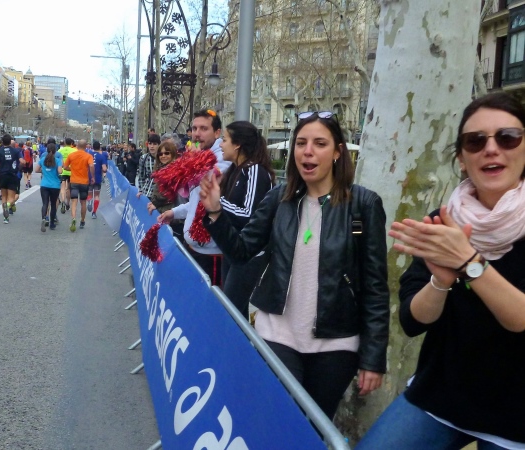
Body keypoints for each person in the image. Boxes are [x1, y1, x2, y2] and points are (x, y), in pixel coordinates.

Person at [357, 93, 525, 449]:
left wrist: (469, 262)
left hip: (516, 416)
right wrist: (440, 281)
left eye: (508, 137)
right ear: (462, 159)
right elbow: (412, 321)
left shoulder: (457, 245)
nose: (491, 149)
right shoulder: (443, 222)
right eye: (475, 141)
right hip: (440, 395)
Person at [199, 110, 389, 419]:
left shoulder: (362, 207)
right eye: (301, 143)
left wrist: (373, 357)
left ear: (338, 152)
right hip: (278, 335)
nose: (308, 151)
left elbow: (374, 285)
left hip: (336, 344)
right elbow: (242, 252)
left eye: (320, 143)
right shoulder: (280, 200)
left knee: (314, 428)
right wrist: (216, 213)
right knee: (281, 419)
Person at [157, 109, 232, 286]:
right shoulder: (198, 154)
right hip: (193, 246)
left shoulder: (223, 156)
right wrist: (174, 212)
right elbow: (195, 200)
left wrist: (191, 163)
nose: (197, 134)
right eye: (194, 128)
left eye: (204, 129)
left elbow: (206, 181)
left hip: (211, 252)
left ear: (217, 133)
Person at [217, 121, 276, 319]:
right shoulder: (235, 170)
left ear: (237, 145)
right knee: (236, 313)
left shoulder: (255, 171)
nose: (221, 145)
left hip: (249, 254)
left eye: (225, 140)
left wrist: (217, 202)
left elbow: (248, 214)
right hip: (232, 248)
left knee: (230, 312)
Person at [146, 140, 184, 239]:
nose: (163, 156)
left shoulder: (176, 170)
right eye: (160, 154)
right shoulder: (161, 169)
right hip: (164, 213)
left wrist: (155, 203)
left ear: (173, 154)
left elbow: (169, 192)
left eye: (167, 153)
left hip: (173, 216)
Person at [0, 134, 25, 224]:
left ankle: (5, 218)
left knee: (4, 196)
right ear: (10, 141)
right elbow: (22, 161)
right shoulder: (16, 151)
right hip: (12, 175)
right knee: (11, 197)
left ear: (2, 142)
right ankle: (7, 205)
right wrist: (19, 168)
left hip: (2, 175)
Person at [64, 139, 94, 231]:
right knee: (83, 202)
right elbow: (91, 166)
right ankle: (82, 220)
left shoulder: (71, 155)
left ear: (77, 146)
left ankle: (73, 218)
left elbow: (65, 167)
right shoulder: (88, 156)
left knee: (74, 201)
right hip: (84, 182)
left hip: (74, 182)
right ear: (86, 146)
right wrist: (92, 176)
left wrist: (72, 169)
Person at [36, 143, 63, 231]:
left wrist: (44, 171)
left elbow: (36, 170)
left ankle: (44, 218)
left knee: (45, 203)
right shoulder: (57, 160)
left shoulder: (43, 160)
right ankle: (52, 224)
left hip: (44, 184)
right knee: (53, 204)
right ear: (55, 151)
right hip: (55, 185)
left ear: (47, 150)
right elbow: (60, 171)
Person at [90, 140, 108, 219]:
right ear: (99, 147)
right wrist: (104, 170)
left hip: (89, 177)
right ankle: (94, 212)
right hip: (97, 178)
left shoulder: (88, 155)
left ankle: (89, 200)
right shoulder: (102, 156)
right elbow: (104, 169)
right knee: (97, 195)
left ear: (92, 147)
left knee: (89, 194)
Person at [58, 138, 76, 213]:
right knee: (68, 188)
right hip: (71, 171)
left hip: (62, 171)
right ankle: (68, 203)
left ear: (65, 143)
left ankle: (63, 200)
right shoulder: (74, 151)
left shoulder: (60, 150)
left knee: (62, 187)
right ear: (72, 143)